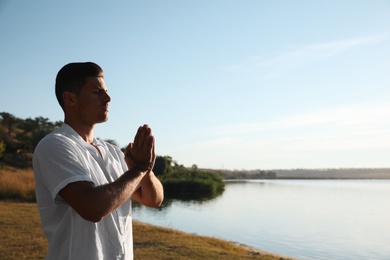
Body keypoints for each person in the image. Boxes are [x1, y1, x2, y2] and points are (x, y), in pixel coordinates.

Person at [33, 62, 164, 260]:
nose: (108, 99)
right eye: (97, 92)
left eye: (107, 92)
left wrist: (146, 170)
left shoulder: (113, 152)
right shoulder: (54, 146)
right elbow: (92, 208)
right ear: (70, 99)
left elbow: (153, 200)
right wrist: (138, 170)